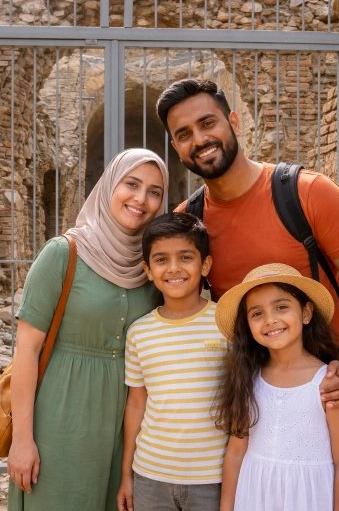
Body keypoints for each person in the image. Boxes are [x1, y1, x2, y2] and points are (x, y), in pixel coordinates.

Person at [157, 78, 339, 510]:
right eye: (184, 134)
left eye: (207, 123)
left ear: (233, 121)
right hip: (252, 400)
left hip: (327, 395)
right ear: (176, 147)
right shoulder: (190, 224)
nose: (199, 140)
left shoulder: (307, 193)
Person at [6, 148, 169, 511]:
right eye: (131, 184)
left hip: (128, 427)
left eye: (154, 192)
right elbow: (27, 350)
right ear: (109, 185)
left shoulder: (153, 269)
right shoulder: (63, 253)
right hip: (61, 420)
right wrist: (22, 440)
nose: (141, 199)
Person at [215, 263, 339, 511]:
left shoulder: (329, 382)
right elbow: (236, 452)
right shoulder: (247, 379)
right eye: (257, 313)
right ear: (248, 326)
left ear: (306, 313)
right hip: (253, 497)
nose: (270, 320)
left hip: (309, 500)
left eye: (281, 307)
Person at [118, 212, 228, 511]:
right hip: (150, 475)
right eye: (161, 259)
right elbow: (136, 404)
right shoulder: (139, 332)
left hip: (213, 477)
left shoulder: (226, 324)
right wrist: (127, 474)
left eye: (185, 257)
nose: (174, 268)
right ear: (148, 270)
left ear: (205, 265)